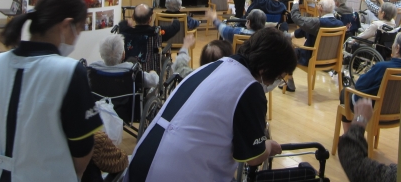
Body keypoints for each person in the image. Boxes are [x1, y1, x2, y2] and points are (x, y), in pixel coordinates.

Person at [0, 0, 102, 181]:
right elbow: (82, 148)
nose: (76, 37)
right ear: (66, 26)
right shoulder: (70, 72)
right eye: (78, 29)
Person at [125, 28, 297, 181]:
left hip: (141, 164)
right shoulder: (249, 87)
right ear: (265, 69)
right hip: (178, 172)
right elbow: (254, 157)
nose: (276, 82)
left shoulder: (215, 66)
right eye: (279, 78)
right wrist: (269, 146)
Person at [339, 32, 401, 133]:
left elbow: (359, 85)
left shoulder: (382, 67)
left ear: (397, 48)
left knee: (345, 92)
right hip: (398, 113)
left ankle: (350, 135)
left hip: (371, 110)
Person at [283, 0, 344, 92]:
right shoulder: (340, 24)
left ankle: (289, 82)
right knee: (309, 28)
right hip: (332, 60)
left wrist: (296, 1)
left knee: (288, 52)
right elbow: (307, 28)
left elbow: (296, 18)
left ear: (320, 8)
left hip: (311, 58)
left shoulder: (318, 22)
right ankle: (289, 36)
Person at [338, 98, 397, 182]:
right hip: (394, 110)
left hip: (370, 106)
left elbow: (355, 165)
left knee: (345, 96)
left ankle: (349, 135)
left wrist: (360, 120)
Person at [116, 4, 180, 71]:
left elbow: (121, 25)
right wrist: (175, 21)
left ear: (133, 17)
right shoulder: (156, 32)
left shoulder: (126, 31)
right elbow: (175, 27)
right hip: (151, 71)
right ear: (150, 19)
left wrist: (126, 22)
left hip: (129, 71)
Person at [89, 35, 159, 89]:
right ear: (123, 55)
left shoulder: (92, 68)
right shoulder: (132, 70)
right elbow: (155, 81)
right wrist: (153, 72)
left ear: (101, 55)